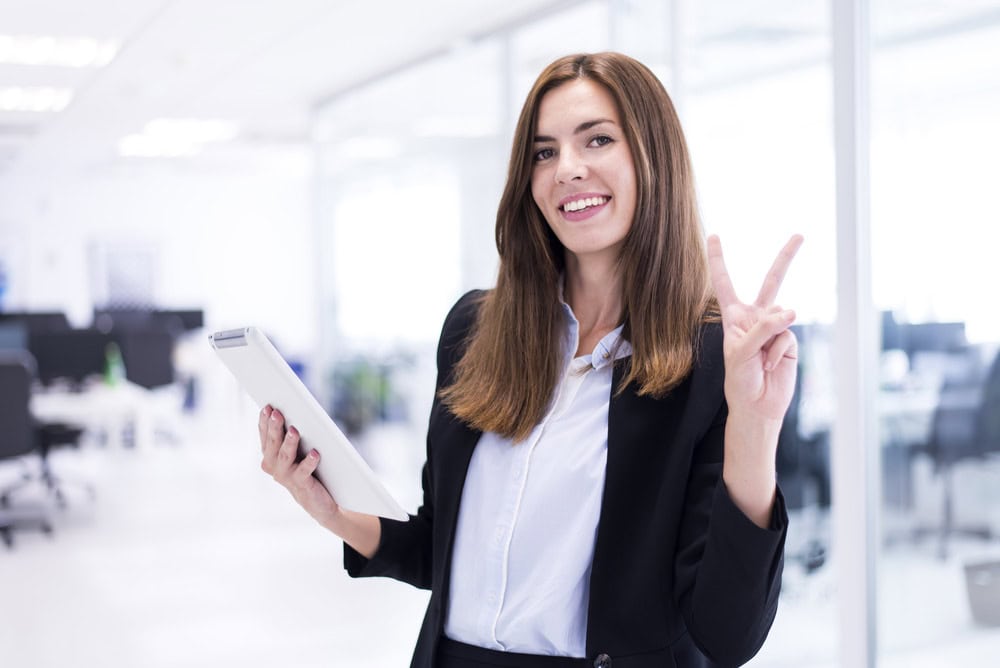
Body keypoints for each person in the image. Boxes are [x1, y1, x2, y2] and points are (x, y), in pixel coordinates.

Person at [259, 51, 802, 668]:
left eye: (597, 139)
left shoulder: (713, 361)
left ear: (655, 159)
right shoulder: (476, 330)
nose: (567, 169)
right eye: (544, 152)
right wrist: (334, 512)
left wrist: (753, 427)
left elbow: (727, 635)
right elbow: (440, 548)